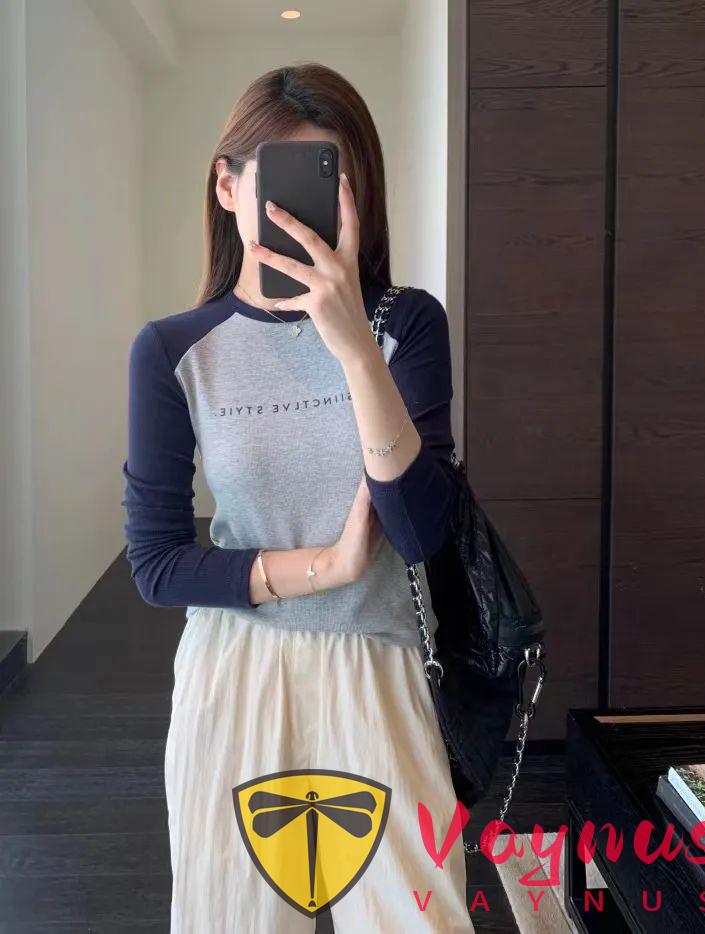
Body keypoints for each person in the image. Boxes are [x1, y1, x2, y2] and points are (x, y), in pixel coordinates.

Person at [121, 62, 474, 933]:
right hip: (236, 667)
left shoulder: (407, 325)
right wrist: (326, 566)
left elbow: (422, 530)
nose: (302, 211)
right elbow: (157, 564)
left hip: (382, 667)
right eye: (281, 182)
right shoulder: (173, 350)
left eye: (331, 182)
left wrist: (353, 346)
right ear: (227, 186)